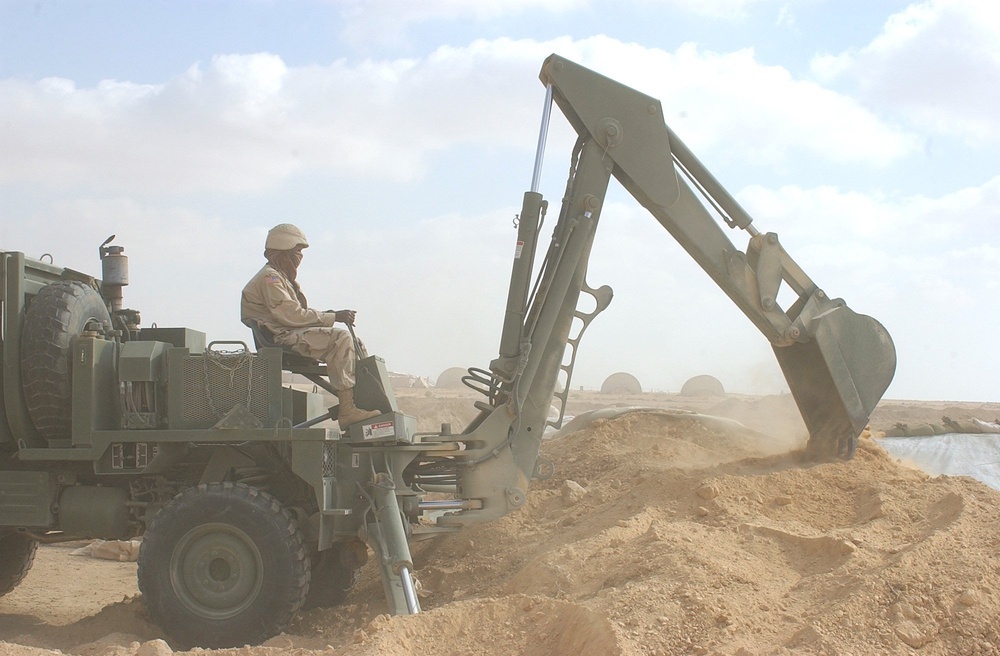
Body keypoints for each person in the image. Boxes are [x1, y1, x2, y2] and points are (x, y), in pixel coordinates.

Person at [241, 223, 379, 430]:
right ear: (284, 253)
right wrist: (332, 317)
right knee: (341, 339)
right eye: (297, 252)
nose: (300, 258)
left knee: (354, 342)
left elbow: (295, 315)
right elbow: (292, 316)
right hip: (281, 337)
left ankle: (360, 404)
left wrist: (329, 316)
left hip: (288, 332)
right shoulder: (270, 278)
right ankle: (348, 410)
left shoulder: (280, 278)